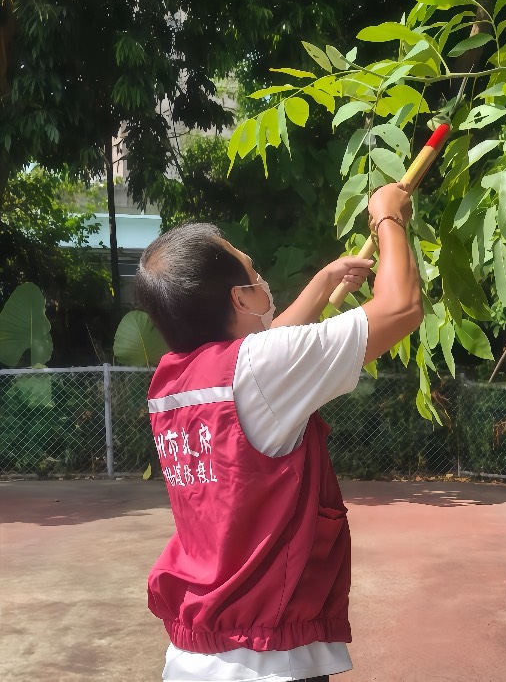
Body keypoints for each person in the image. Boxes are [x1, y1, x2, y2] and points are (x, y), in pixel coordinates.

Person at [134, 183, 421, 682]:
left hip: (196, 654)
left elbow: (263, 353)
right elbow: (399, 308)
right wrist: (388, 218)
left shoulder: (176, 381)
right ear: (240, 297)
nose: (262, 277)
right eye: (254, 270)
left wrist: (322, 283)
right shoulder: (259, 369)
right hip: (268, 657)